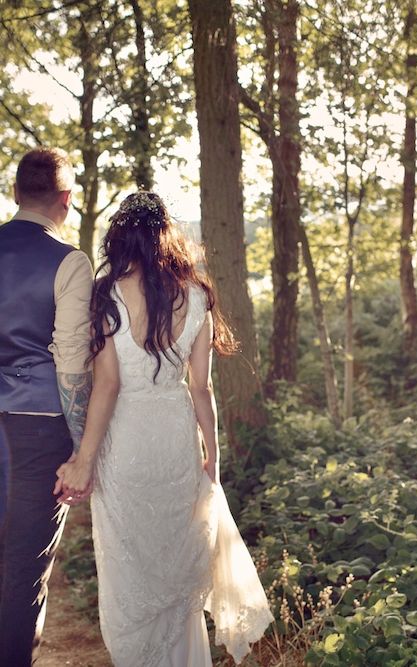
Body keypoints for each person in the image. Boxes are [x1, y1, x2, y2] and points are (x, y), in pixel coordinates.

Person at [56, 191, 273, 666]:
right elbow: (201, 388)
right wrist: (211, 453)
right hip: (177, 440)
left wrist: (84, 459)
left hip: (126, 442)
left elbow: (107, 386)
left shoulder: (108, 293)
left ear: (121, 238)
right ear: (166, 238)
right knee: (177, 565)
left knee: (130, 566)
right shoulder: (196, 295)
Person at [0, 147, 94, 665]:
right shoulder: (69, 261)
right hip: (38, 429)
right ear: (66, 200)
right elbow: (73, 361)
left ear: (16, 194)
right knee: (21, 572)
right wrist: (82, 447)